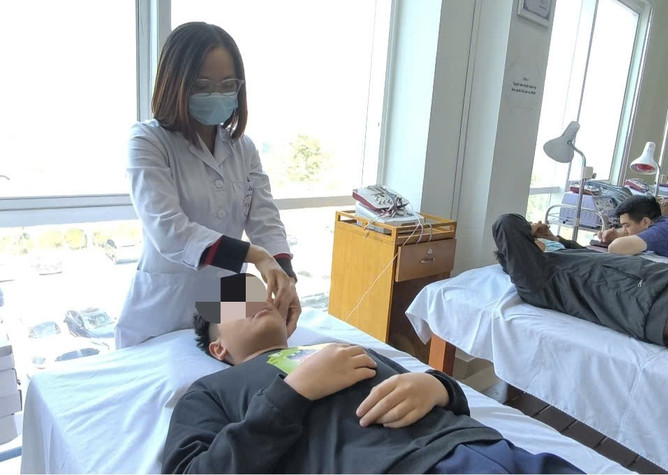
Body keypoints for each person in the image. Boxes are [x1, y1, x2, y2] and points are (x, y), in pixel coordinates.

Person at [161, 275, 581, 474]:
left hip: (491, 450)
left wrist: (436, 386)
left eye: (256, 293)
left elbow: (450, 400)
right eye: (234, 305)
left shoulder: (338, 348)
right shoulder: (211, 391)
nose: (256, 301)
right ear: (218, 348)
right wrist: (293, 393)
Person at [117, 22, 300, 348]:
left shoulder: (243, 148)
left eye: (227, 84)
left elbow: (265, 219)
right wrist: (255, 255)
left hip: (229, 300)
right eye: (203, 85)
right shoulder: (148, 141)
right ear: (176, 83)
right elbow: (169, 231)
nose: (217, 94)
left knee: (231, 362)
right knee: (175, 373)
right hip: (166, 306)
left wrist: (285, 277)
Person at [493, 213, 668, 368]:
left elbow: (576, 251)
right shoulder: (539, 281)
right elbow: (506, 223)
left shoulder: (570, 261)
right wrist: (530, 229)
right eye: (538, 236)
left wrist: (554, 239)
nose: (545, 230)